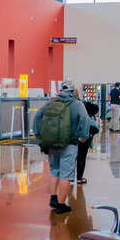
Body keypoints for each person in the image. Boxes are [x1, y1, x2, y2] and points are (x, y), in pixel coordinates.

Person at [34, 80, 89, 214]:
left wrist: (39, 135)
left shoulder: (51, 102)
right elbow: (85, 120)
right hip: (69, 143)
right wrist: (83, 136)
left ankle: (53, 198)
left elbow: (37, 117)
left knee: (54, 170)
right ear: (72, 90)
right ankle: (61, 205)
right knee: (66, 175)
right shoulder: (77, 104)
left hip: (52, 142)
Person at [74, 100, 100, 184]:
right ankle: (79, 178)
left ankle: (69, 178)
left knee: (72, 158)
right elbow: (95, 128)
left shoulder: (75, 106)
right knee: (81, 157)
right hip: (85, 136)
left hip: (74, 135)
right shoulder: (84, 108)